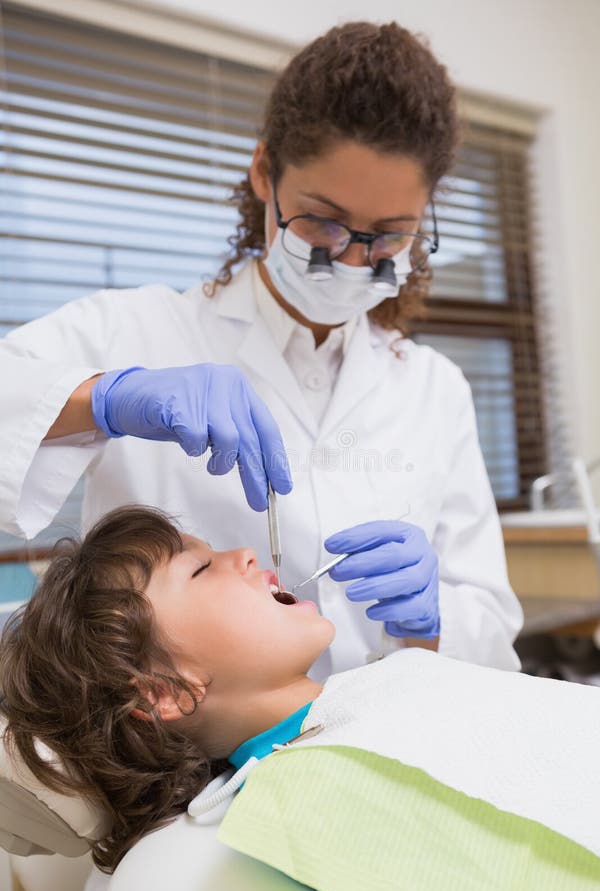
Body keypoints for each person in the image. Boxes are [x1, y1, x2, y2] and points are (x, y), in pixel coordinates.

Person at [0, 21, 522, 676]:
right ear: (263, 173)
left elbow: (494, 639)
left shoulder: (434, 389)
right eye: (324, 220)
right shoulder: (143, 329)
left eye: (389, 235)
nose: (352, 258)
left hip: (382, 742)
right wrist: (106, 399)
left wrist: (434, 616)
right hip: (189, 765)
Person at [1, 505, 599, 891]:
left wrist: (425, 634)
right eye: (202, 568)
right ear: (165, 690)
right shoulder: (286, 808)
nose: (245, 555)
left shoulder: (396, 682)